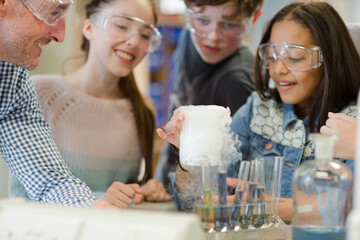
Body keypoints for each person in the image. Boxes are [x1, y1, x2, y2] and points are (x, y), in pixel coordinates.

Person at [157, 1, 360, 222]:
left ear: (329, 59)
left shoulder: (351, 126)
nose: (279, 70)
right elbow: (194, 202)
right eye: (271, 56)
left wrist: (267, 205)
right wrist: (191, 154)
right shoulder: (257, 109)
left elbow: (346, 209)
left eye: (294, 57)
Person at [9, 0, 170, 208]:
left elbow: (131, 191)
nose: (133, 41)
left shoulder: (143, 108)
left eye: (146, 36)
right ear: (88, 28)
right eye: (121, 26)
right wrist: (99, 200)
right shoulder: (36, 93)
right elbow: (20, 200)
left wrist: (146, 190)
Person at [0, 0, 107, 207]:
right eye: (52, 13)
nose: (60, 35)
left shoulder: (11, 80)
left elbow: (50, 181)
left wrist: (90, 210)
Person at [155, 0, 263, 193]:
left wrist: (170, 189)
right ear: (188, 15)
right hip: (164, 187)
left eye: (229, 24)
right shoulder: (191, 37)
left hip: (195, 198)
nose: (213, 37)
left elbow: (229, 179)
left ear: (253, 19)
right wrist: (159, 183)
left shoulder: (237, 80)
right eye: (203, 20)